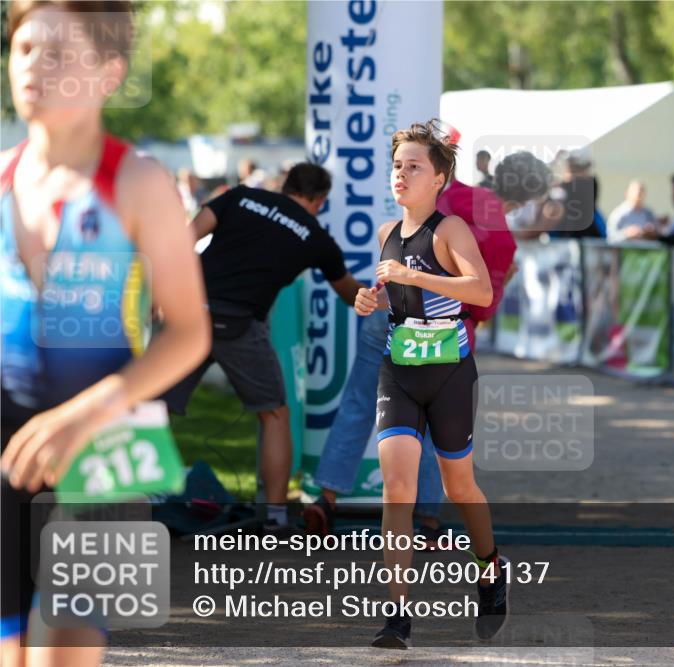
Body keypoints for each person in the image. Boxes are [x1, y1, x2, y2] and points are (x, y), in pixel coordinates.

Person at [0, 2, 211, 665]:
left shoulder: (139, 182)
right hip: (8, 444)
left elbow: (188, 332)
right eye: (25, 47)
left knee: (59, 649)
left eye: (60, 52)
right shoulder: (1, 176)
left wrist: (83, 414)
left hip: (107, 440)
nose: (35, 64)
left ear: (109, 75)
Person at [354, 120, 507, 649]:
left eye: (414, 166)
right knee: (397, 489)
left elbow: (481, 291)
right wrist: (368, 299)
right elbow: (390, 294)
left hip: (449, 375)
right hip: (398, 370)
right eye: (397, 165)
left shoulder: (450, 231)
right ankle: (397, 616)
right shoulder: (384, 235)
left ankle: (489, 569)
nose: (401, 174)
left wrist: (416, 277)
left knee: (458, 487)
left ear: (438, 178)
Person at [305, 168, 518, 548]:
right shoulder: (492, 223)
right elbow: (486, 292)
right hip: (441, 332)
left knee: (357, 401)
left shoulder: (448, 198)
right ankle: (430, 519)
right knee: (437, 424)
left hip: (390, 317)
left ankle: (328, 497)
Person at [163, 163, 367, 535]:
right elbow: (350, 293)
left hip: (191, 314)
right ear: (319, 200)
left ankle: (143, 495)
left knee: (153, 407)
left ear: (286, 185)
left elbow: (184, 237)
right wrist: (386, 293)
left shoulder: (240, 197)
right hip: (240, 325)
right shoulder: (314, 235)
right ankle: (274, 516)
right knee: (274, 414)